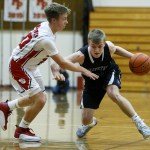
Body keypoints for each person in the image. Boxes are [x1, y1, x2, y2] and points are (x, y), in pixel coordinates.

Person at [0, 3, 99, 142]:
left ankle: (6, 107)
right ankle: (21, 130)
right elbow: (63, 63)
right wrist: (83, 70)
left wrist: (54, 67)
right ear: (54, 20)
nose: (66, 21)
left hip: (30, 66)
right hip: (19, 66)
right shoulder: (46, 39)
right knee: (39, 99)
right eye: (64, 18)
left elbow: (53, 61)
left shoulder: (46, 27)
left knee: (39, 99)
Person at [51, 29, 150, 139]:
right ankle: (90, 123)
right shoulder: (81, 55)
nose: (97, 50)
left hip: (109, 72)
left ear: (104, 44)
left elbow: (117, 49)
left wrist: (133, 57)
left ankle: (140, 124)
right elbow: (56, 64)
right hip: (91, 81)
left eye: (100, 46)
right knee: (85, 118)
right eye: (93, 46)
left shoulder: (109, 47)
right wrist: (56, 71)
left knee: (113, 93)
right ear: (88, 43)